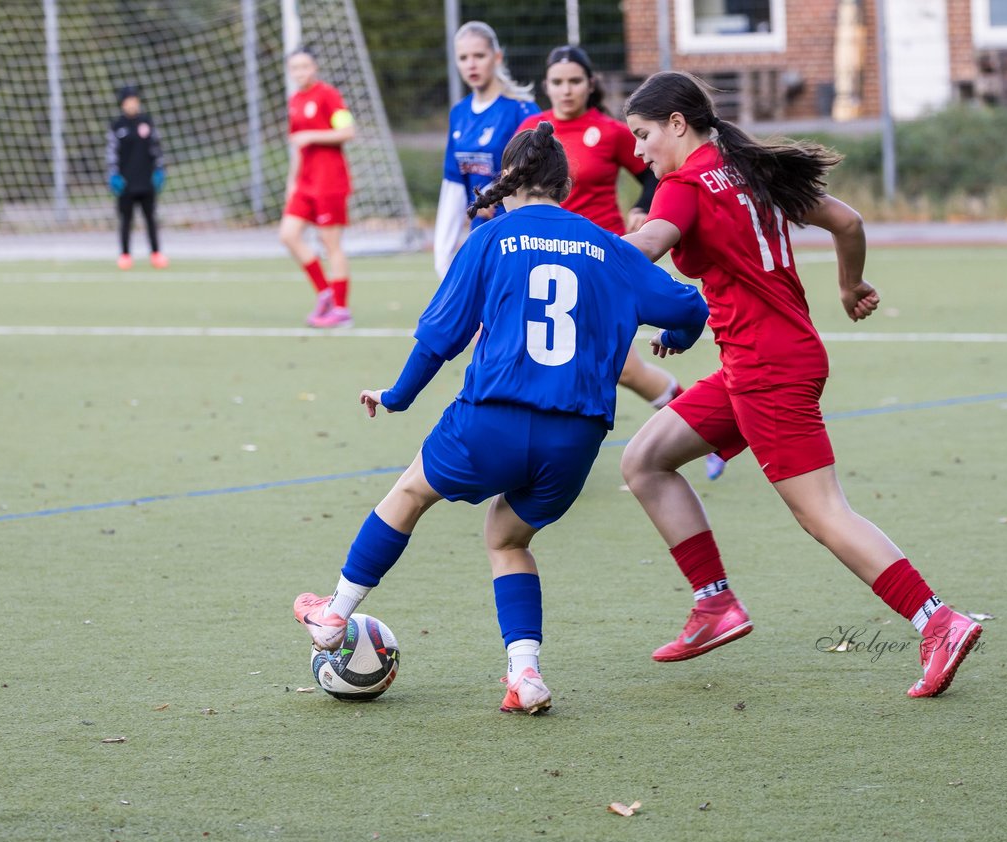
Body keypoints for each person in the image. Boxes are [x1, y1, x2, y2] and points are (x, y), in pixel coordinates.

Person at [294, 122, 709, 714]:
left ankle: (334, 616)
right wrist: (675, 335)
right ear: (565, 185)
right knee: (508, 537)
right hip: (577, 437)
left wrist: (397, 397)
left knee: (410, 494)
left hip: (492, 419)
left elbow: (440, 339)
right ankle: (526, 675)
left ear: (505, 181)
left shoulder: (490, 240)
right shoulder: (611, 247)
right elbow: (689, 304)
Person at [618, 71, 982, 698]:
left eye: (644, 134)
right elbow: (848, 221)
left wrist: (571, 252)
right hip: (764, 360)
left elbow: (647, 244)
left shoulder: (683, 186)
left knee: (822, 513)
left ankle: (937, 620)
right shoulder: (750, 170)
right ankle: (715, 605)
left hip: (767, 369)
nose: (639, 151)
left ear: (677, 124)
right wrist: (850, 284)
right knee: (645, 461)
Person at [517, 46, 728, 479]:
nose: (566, 89)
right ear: (546, 85)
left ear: (589, 84)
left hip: (604, 260)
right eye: (557, 81)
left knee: (624, 369)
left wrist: (643, 209)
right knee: (541, 355)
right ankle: (536, 455)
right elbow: (514, 187)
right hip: (545, 263)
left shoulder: (611, 132)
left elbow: (655, 175)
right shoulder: (531, 129)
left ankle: (706, 433)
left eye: (575, 80)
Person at [433, 21, 539, 280]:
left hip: (519, 234)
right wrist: (443, 254)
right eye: (463, 57)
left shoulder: (522, 109)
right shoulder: (459, 113)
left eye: (479, 55)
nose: (471, 64)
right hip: (481, 233)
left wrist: (499, 198)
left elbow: (541, 175)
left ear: (497, 57)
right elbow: (454, 184)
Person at [280, 48, 356, 329]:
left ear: (314, 67)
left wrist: (312, 134)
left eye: (304, 66)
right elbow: (298, 148)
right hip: (305, 183)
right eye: (295, 68)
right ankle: (325, 292)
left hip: (330, 181)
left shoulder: (328, 95)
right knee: (288, 234)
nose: (300, 72)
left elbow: (347, 132)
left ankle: (341, 309)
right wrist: (292, 183)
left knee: (330, 244)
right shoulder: (295, 101)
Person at [106, 85, 167, 271]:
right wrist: (113, 175)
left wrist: (159, 170)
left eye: (134, 100)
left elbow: (156, 149)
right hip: (126, 183)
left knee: (150, 219)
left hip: (146, 181)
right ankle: (125, 255)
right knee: (126, 220)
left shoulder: (147, 123)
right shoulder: (117, 126)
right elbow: (111, 153)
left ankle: (156, 253)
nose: (132, 104)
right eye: (128, 101)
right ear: (123, 104)